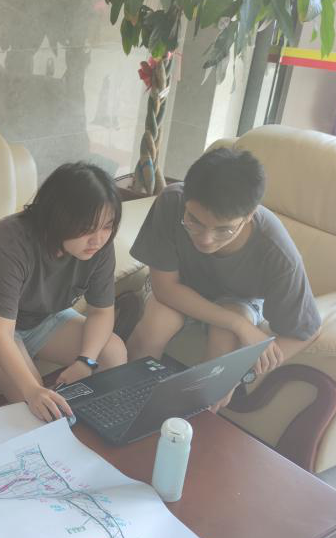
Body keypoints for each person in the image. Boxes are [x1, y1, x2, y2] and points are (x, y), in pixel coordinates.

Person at [126, 147, 322, 411]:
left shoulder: (277, 252)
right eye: (194, 221)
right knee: (156, 325)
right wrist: (238, 325)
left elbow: (307, 331)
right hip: (178, 285)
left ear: (250, 215)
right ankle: (126, 405)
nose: (206, 239)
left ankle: (194, 416)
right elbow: (165, 288)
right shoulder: (172, 201)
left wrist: (239, 372)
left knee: (223, 347)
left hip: (238, 300)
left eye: (224, 229)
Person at [0, 162, 128, 423]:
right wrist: (33, 390)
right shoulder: (9, 240)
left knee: (113, 352)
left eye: (107, 226)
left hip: (44, 317)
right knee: (38, 403)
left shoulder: (101, 245)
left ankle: (102, 433)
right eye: (88, 228)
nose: (98, 239)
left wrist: (86, 361)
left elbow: (101, 312)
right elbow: (2, 334)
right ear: (59, 216)